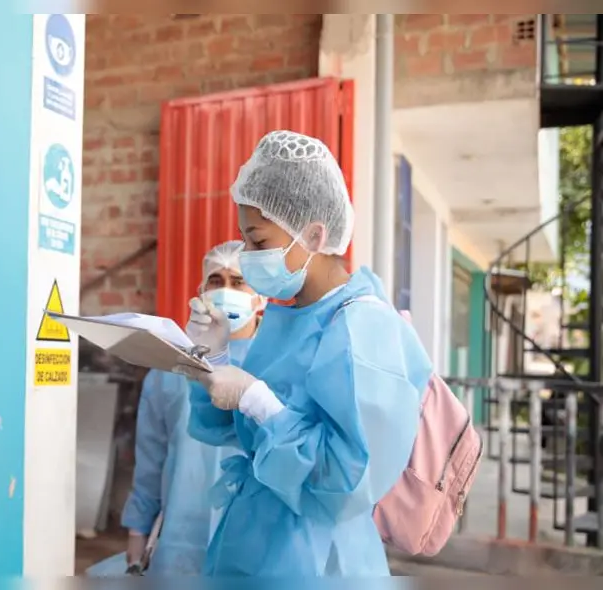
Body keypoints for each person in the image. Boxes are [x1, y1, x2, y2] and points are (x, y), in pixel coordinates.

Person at [175, 130, 433, 577]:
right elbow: (225, 429)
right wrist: (212, 360)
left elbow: (347, 481)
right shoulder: (291, 317)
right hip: (254, 544)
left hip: (317, 559)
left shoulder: (361, 327)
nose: (247, 256)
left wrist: (258, 400)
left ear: (313, 235)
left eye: (257, 242)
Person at [86, 241, 265, 577]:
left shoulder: (277, 363)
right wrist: (138, 531)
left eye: (238, 282)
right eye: (216, 281)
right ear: (201, 292)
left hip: (259, 535)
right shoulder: (171, 367)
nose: (226, 290)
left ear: (261, 296)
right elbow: (151, 458)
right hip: (184, 536)